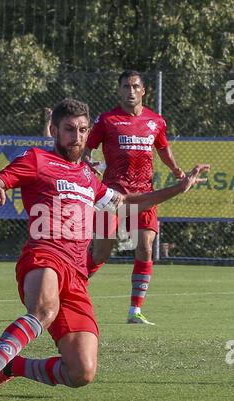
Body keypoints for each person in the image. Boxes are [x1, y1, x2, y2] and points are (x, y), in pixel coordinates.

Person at [0, 98, 209, 401]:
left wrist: (178, 189)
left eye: (82, 130)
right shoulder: (36, 159)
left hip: (76, 274)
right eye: (69, 130)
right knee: (43, 312)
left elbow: (127, 204)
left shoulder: (90, 178)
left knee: (81, 371)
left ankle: (13, 366)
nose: (76, 137)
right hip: (44, 254)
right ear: (54, 130)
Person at [83, 70, 186, 325]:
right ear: (118, 90)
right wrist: (88, 162)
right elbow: (87, 149)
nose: (130, 91)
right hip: (113, 195)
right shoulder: (107, 120)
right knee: (101, 254)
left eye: (135, 86)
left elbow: (163, 149)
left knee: (145, 246)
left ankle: (135, 311)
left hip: (144, 196)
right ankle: (67, 288)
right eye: (125, 86)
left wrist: (175, 169)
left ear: (143, 91)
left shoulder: (156, 121)